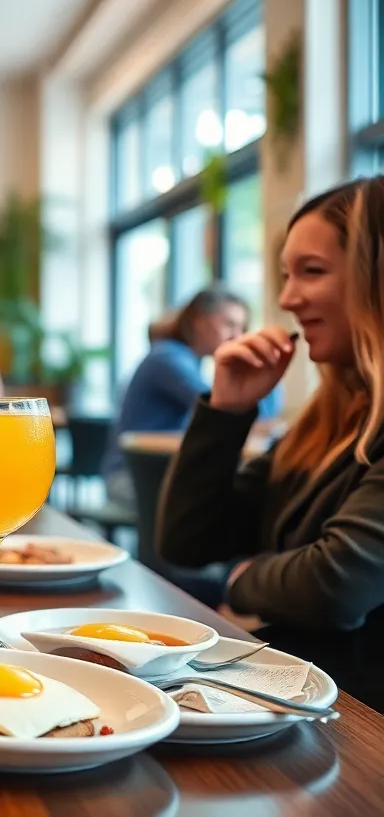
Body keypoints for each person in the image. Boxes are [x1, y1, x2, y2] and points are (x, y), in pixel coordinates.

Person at [157, 177, 384, 711]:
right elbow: (188, 540)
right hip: (295, 697)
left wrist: (242, 580)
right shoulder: (323, 422)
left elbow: (335, 586)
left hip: (360, 727)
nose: (286, 298)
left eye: (312, 271)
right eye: (286, 274)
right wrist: (227, 409)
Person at [103, 288, 281, 506]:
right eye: (229, 325)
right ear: (199, 322)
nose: (238, 337)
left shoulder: (185, 360)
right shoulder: (168, 359)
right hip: (130, 479)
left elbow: (257, 419)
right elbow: (232, 414)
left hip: (160, 472)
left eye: (242, 328)